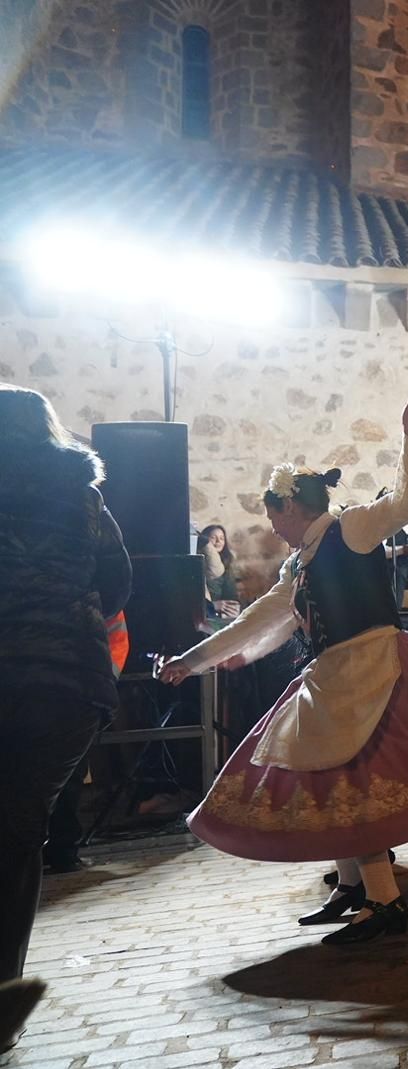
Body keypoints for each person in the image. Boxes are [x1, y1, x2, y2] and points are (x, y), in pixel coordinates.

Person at [156, 394, 408, 945]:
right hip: (336, 670)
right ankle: (351, 886)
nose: (272, 527)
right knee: (325, 767)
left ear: (291, 507)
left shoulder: (351, 527)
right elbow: (254, 621)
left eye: (272, 515)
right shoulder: (300, 562)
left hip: (370, 664)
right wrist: (192, 662)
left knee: (350, 771)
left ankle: (384, 900)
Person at [0, 386, 130, 1053]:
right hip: (67, 681)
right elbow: (121, 579)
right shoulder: (85, 496)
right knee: (20, 829)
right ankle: (3, 986)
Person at [199, 523, 242, 618]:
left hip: (221, 613)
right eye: (213, 538)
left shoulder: (227, 563)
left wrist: (232, 607)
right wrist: (213, 605)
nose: (218, 541)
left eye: (222, 538)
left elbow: (230, 593)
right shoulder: (199, 563)